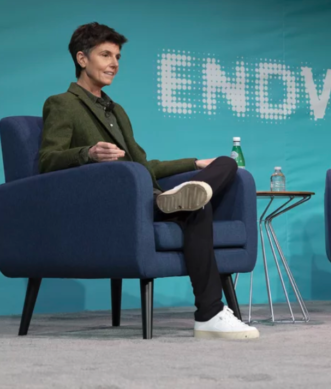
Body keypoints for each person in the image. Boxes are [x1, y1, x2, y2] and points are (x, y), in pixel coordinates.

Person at [39, 22, 259, 339]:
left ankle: (194, 194)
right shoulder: (62, 104)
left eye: (117, 56)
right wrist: (87, 152)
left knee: (223, 165)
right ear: (82, 58)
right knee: (196, 208)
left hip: (148, 194)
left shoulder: (118, 111)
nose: (114, 63)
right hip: (119, 203)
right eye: (105, 55)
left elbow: (143, 164)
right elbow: (47, 160)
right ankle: (210, 312)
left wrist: (195, 163)